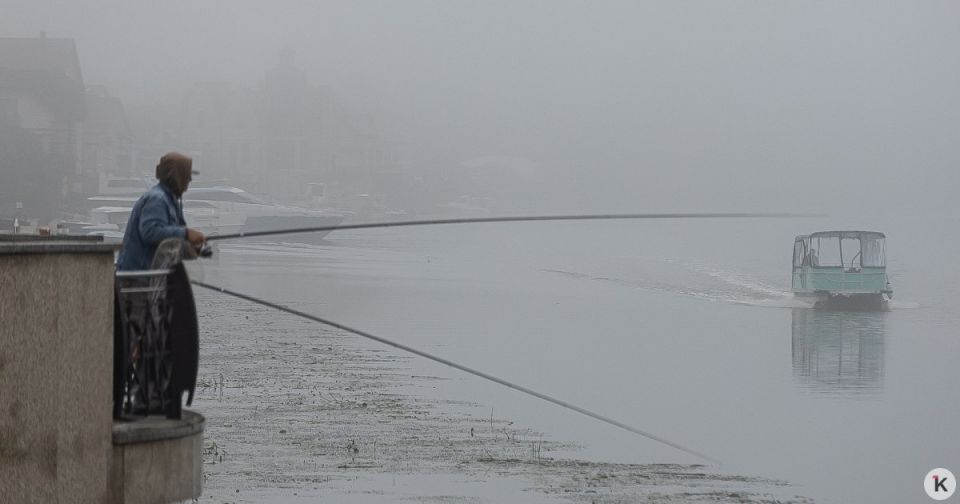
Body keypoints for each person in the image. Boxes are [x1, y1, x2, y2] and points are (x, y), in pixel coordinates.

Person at [117, 152, 205, 271]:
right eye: (187, 174)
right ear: (177, 176)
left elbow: (170, 245)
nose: (190, 179)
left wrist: (195, 247)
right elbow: (150, 232)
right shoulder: (157, 199)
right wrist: (186, 233)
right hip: (138, 277)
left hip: (153, 277)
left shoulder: (171, 201)